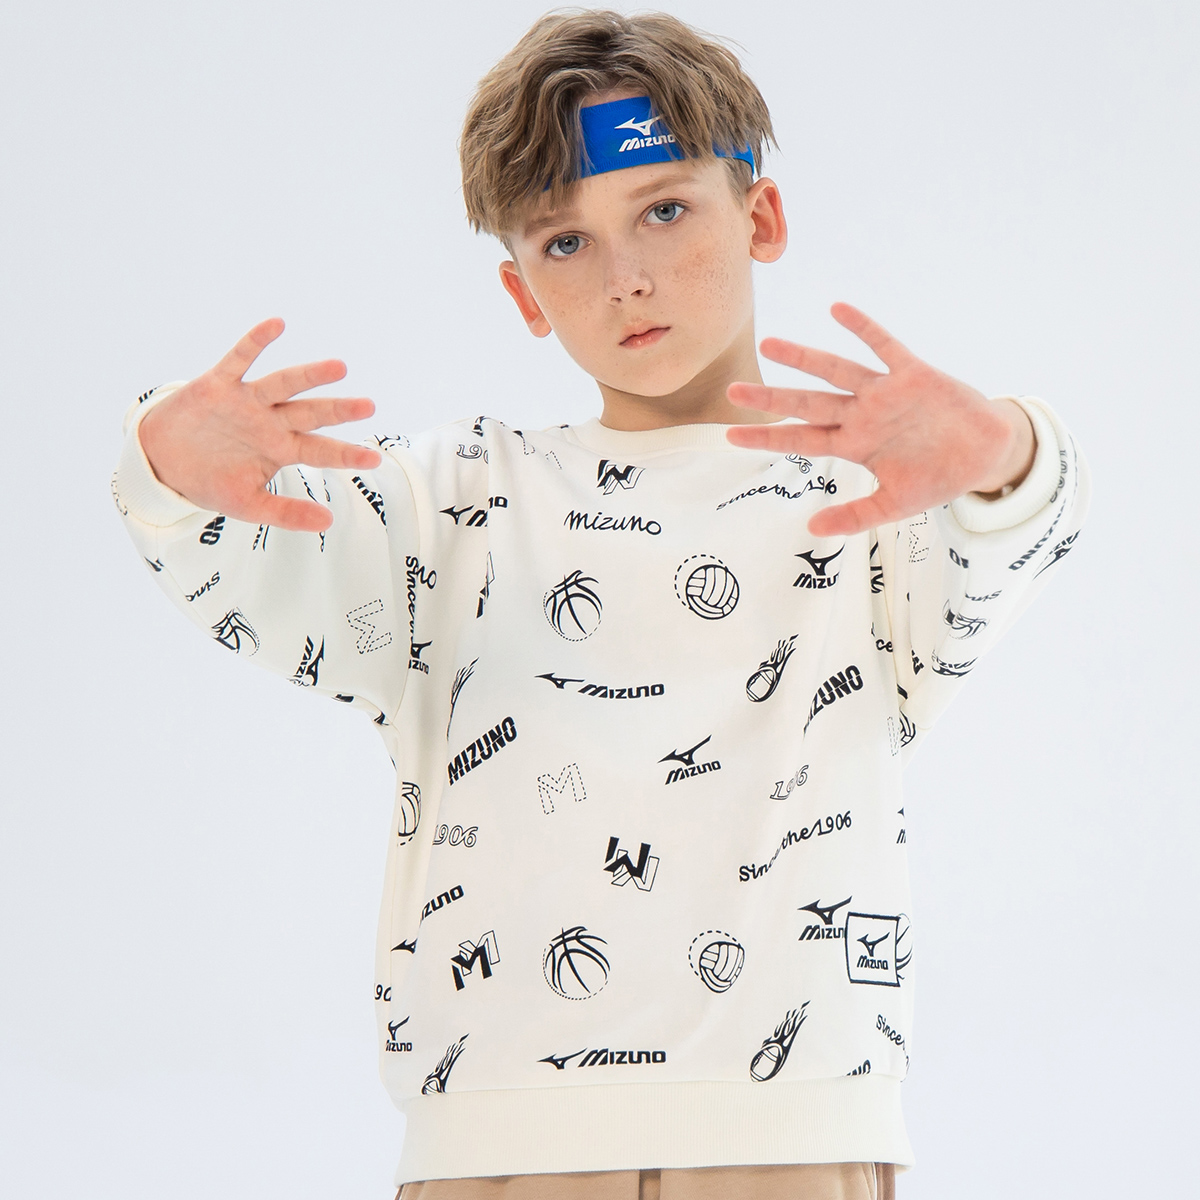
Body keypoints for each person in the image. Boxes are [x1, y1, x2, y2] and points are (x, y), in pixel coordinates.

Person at [110, 10, 1089, 1199]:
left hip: (790, 1134)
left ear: (760, 217)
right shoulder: (452, 504)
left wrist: (1004, 451)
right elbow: (261, 565)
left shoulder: (874, 499)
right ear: (523, 292)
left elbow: (1012, 534)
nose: (625, 277)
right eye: (566, 242)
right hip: (497, 1147)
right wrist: (168, 469)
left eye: (664, 211)